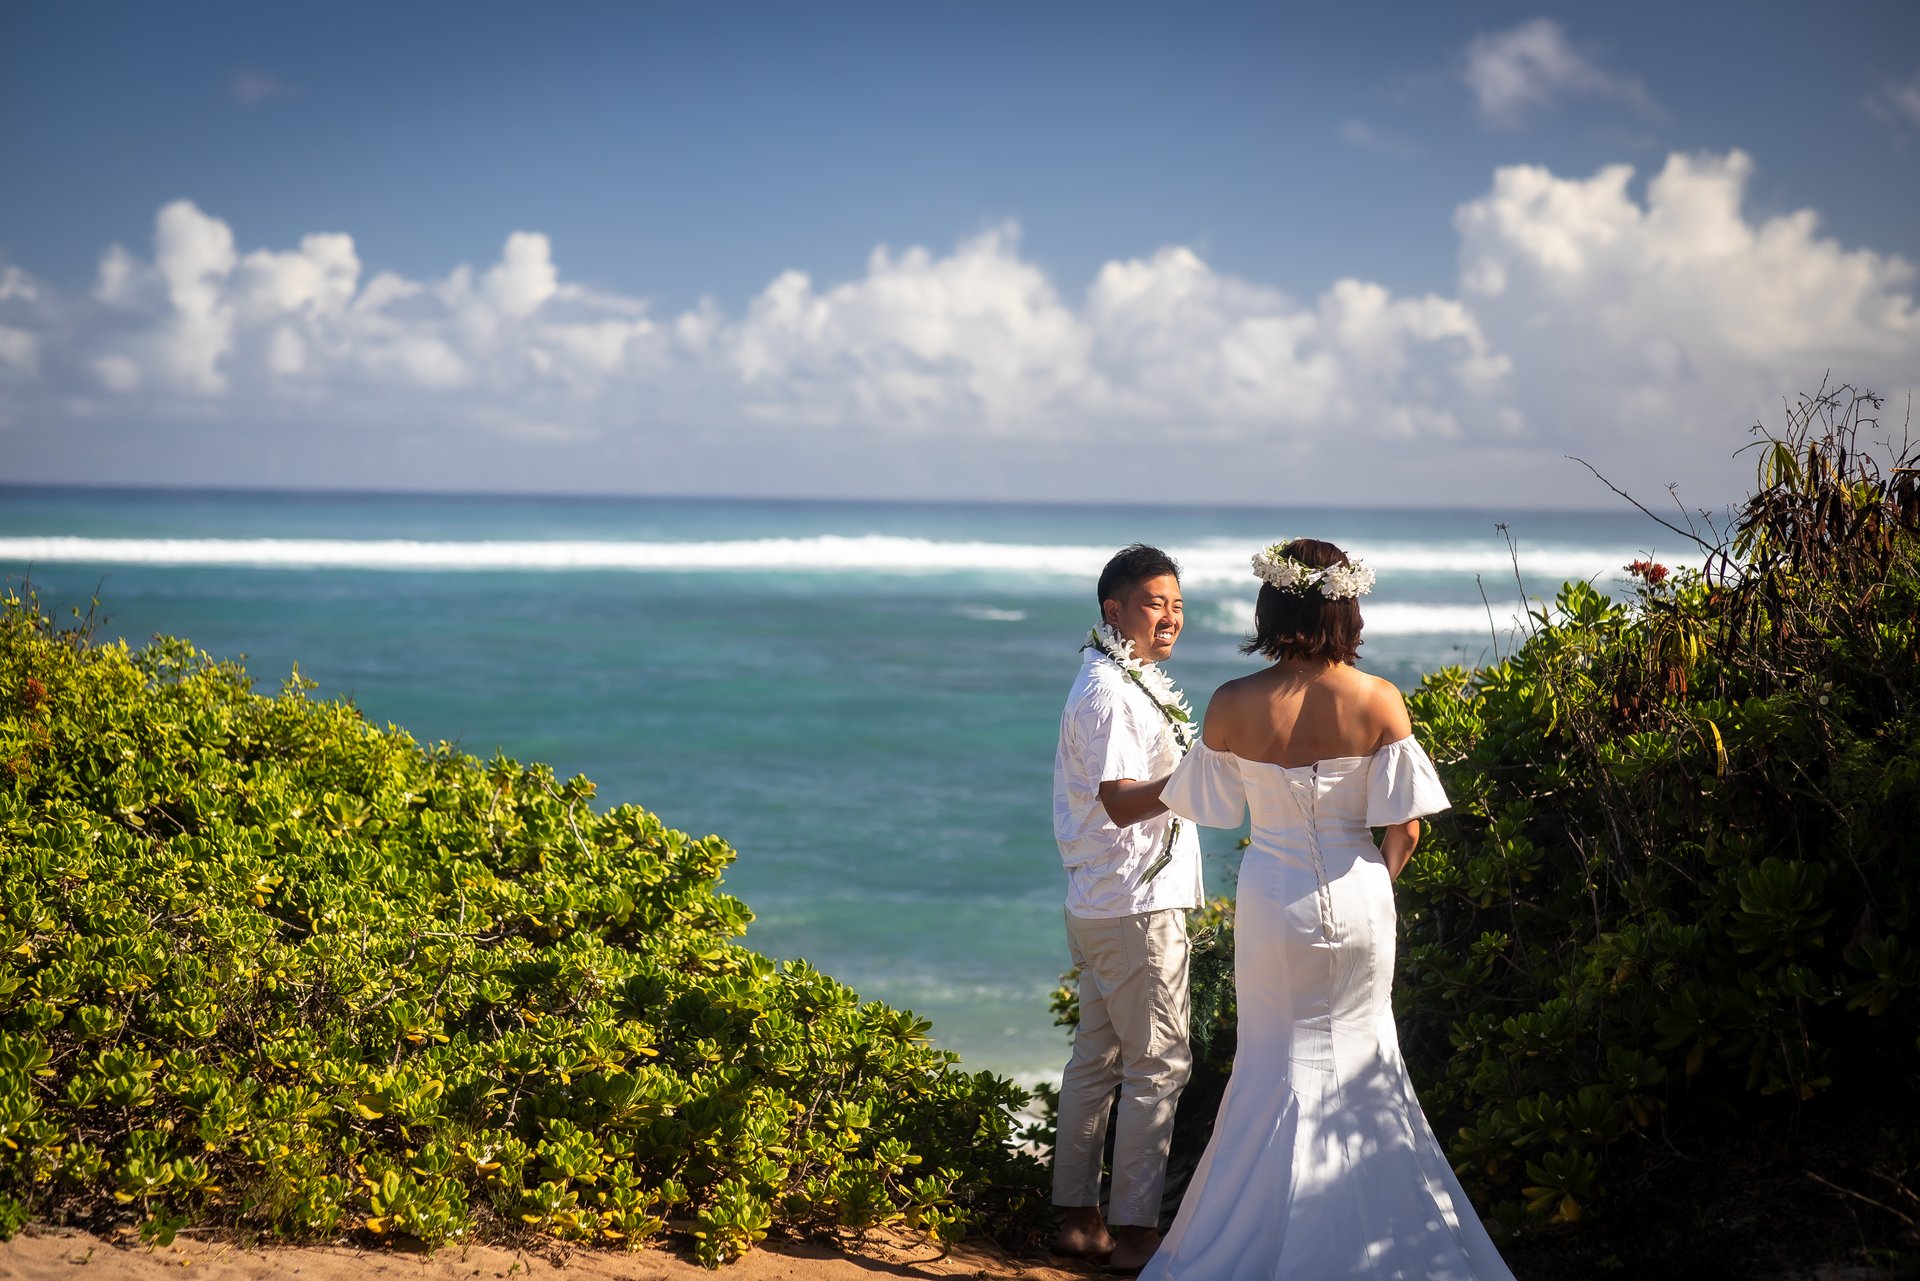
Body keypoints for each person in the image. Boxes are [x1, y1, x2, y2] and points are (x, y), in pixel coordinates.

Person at [1139, 539, 1514, 1280]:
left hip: (1271, 901)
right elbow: (1405, 826)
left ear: (1270, 605)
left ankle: (1261, 1236)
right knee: (1369, 1061)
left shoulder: (1231, 702)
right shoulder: (1378, 699)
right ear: (1345, 606)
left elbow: (1207, 803)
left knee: (1270, 1063)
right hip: (1359, 893)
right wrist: (1375, 885)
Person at [1051, 544, 1206, 1271]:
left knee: (1098, 1057)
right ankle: (1137, 1231)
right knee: (1160, 1062)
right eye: (1154, 603)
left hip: (1104, 899)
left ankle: (1078, 1219)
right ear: (1114, 611)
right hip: (1136, 903)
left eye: (1176, 604)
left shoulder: (1113, 677)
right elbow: (1118, 801)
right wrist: (1200, 776)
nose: (1170, 616)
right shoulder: (1110, 691)